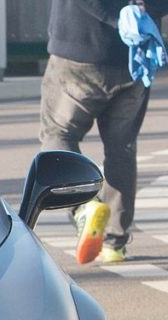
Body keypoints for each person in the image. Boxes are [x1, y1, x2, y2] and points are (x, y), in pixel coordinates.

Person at [40, 0, 167, 264]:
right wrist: (143, 12)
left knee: (59, 134)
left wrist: (116, 17)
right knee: (122, 149)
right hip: (133, 56)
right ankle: (114, 243)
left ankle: (84, 207)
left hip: (77, 53)